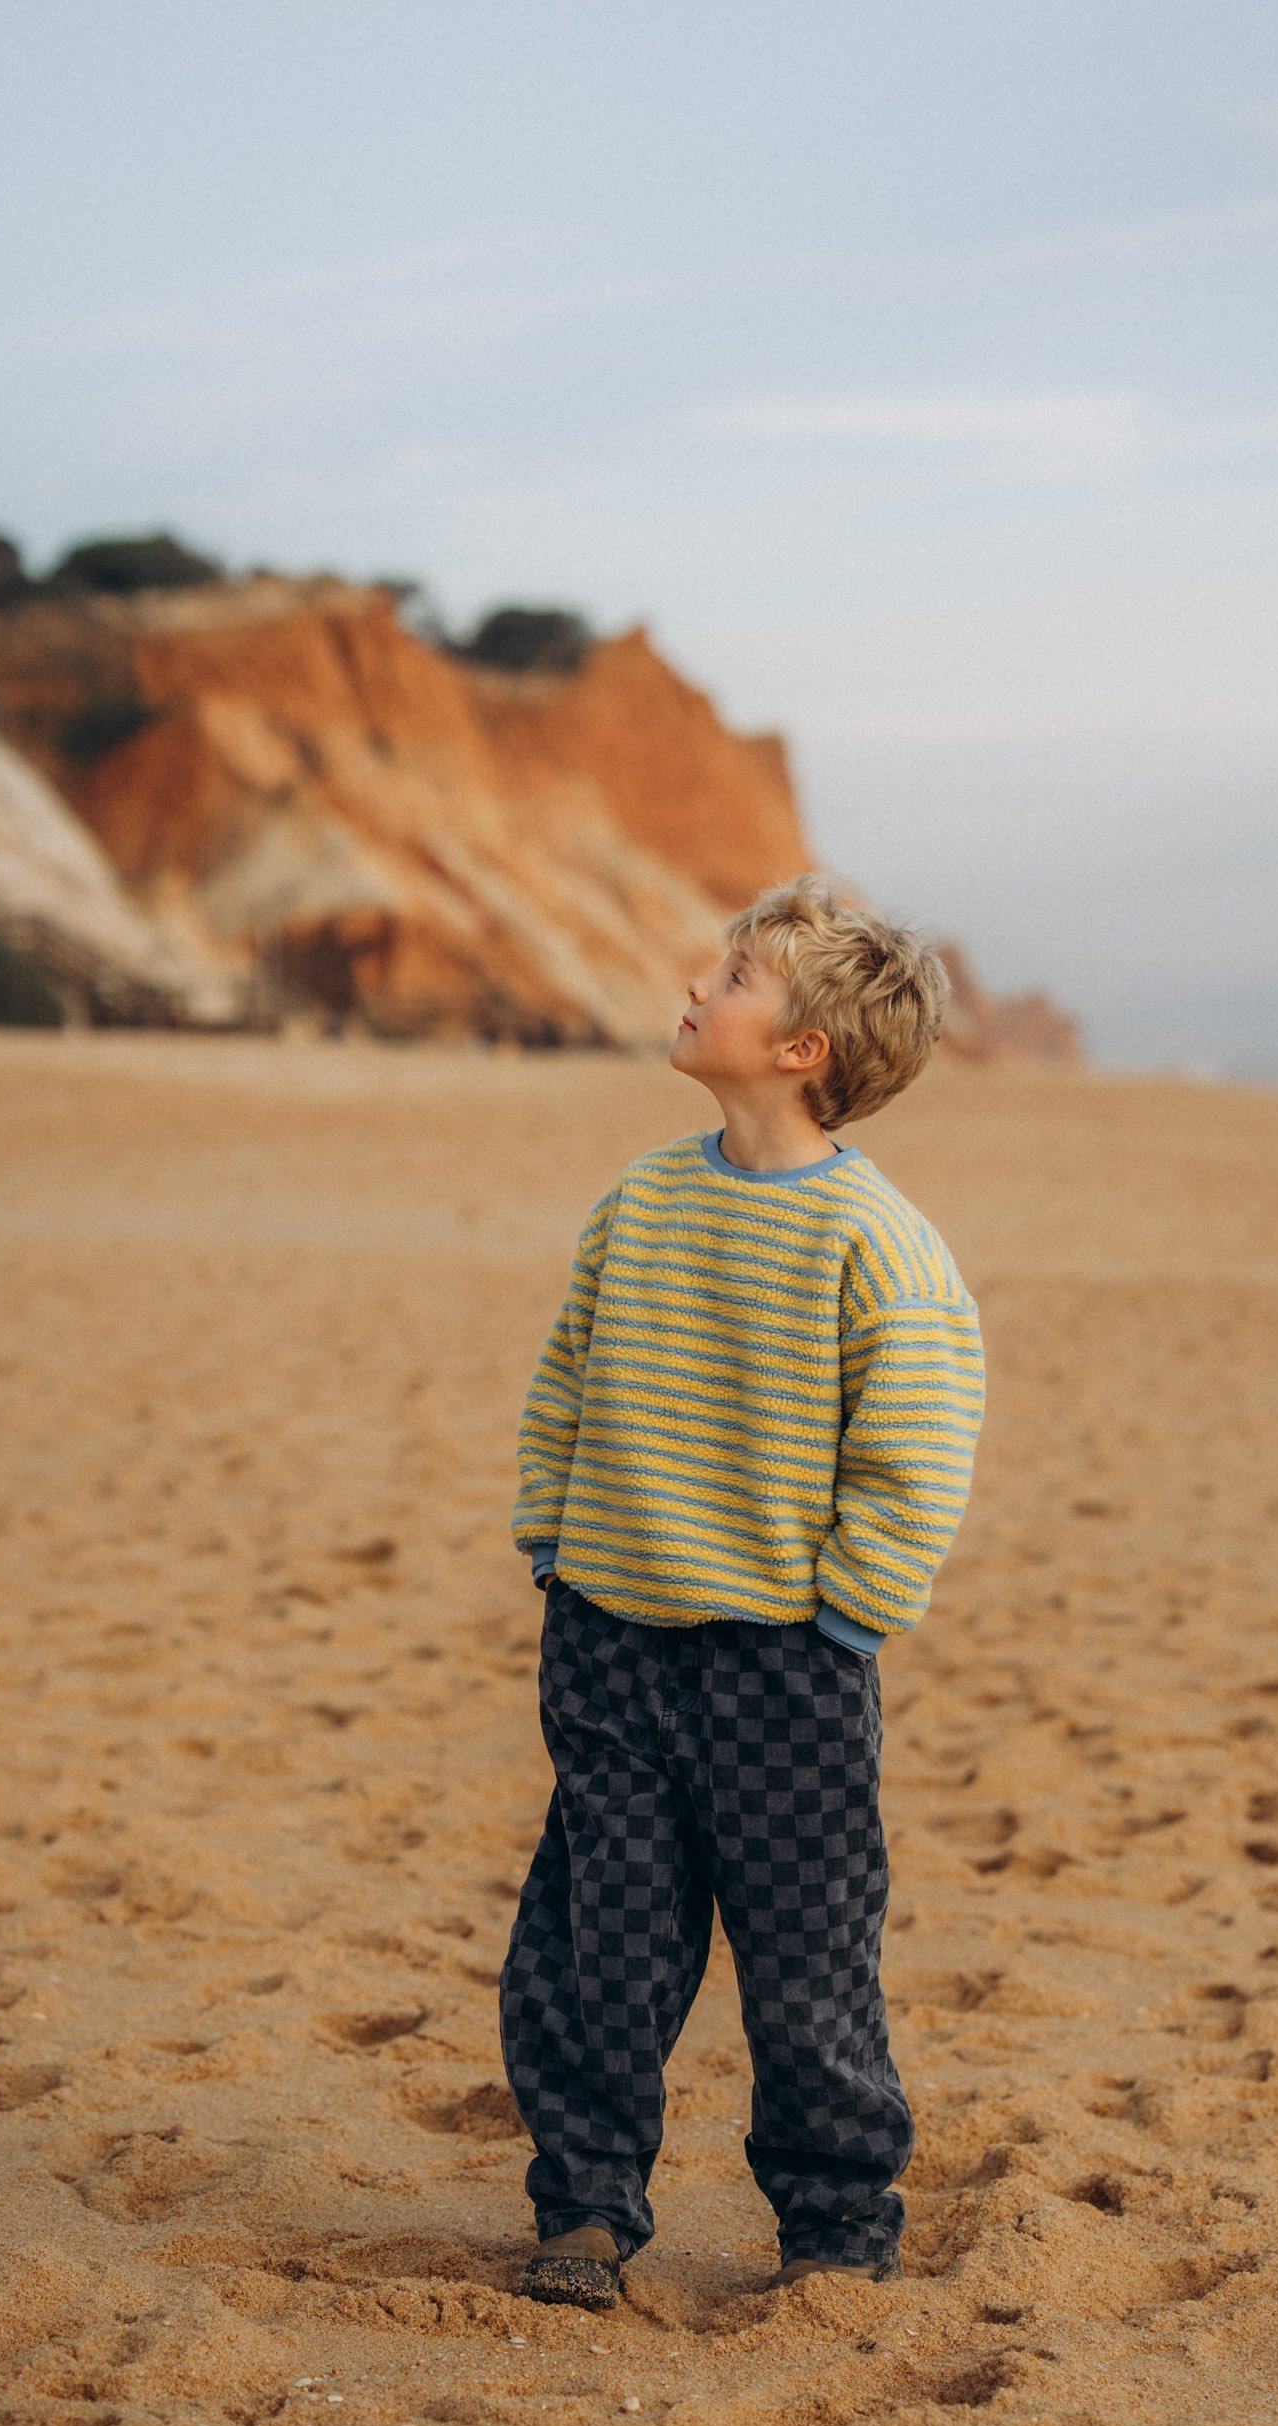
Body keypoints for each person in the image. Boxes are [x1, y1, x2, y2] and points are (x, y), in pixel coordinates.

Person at [498, 874, 985, 2311]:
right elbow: (569, 1378)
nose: (703, 983)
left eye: (742, 973)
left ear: (805, 1051)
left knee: (807, 1961)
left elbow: (917, 1447)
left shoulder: (874, 1240)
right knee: (601, 1943)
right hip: (608, 1638)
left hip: (785, 1668)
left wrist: (844, 1616)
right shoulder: (643, 1199)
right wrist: (552, 1532)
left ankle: (835, 2226)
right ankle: (584, 2207)